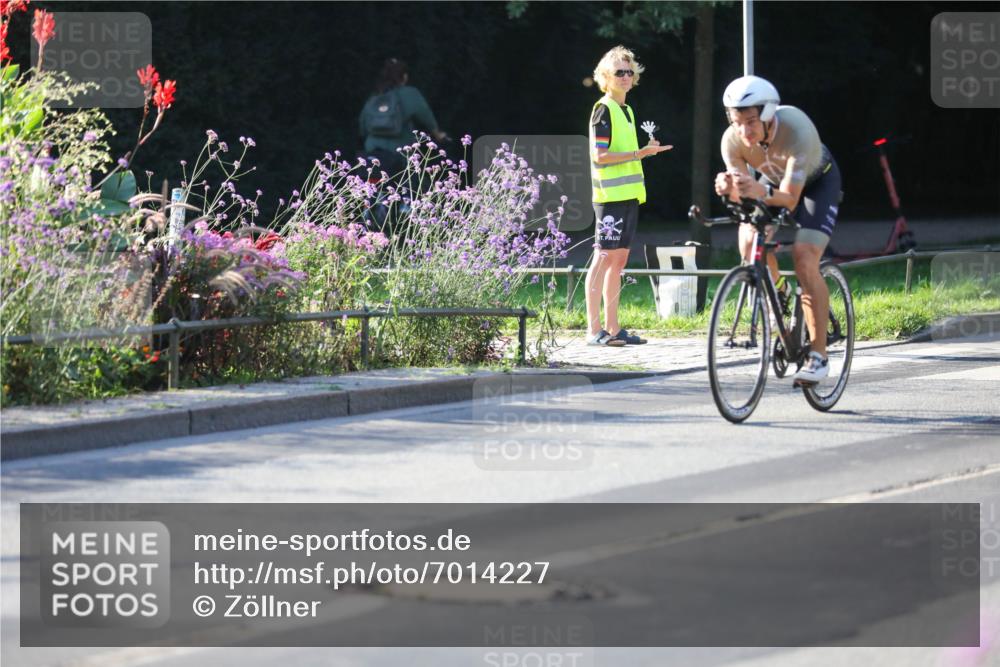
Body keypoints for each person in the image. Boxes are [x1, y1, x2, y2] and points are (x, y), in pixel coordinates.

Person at [714, 75, 842, 384]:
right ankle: (779, 295)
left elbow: (790, 198)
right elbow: (744, 194)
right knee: (748, 241)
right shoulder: (732, 141)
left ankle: (819, 356)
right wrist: (728, 188)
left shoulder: (796, 128)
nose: (743, 130)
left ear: (769, 113)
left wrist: (756, 191)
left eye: (751, 121)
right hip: (772, 184)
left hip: (815, 186)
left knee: (804, 257)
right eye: (736, 121)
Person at [586, 46, 672, 346]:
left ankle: (613, 328)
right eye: (619, 72)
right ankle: (593, 330)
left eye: (629, 71)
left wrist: (644, 153)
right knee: (603, 257)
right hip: (609, 197)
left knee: (618, 261)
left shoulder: (627, 110)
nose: (625, 77)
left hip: (628, 196)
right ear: (605, 77)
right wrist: (640, 152)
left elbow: (623, 156)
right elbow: (600, 156)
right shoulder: (603, 109)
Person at [359, 58, 448, 174]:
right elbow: (426, 117)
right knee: (409, 185)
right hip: (399, 152)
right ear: (405, 76)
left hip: (372, 152)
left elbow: (362, 125)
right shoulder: (410, 93)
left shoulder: (376, 96)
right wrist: (438, 134)